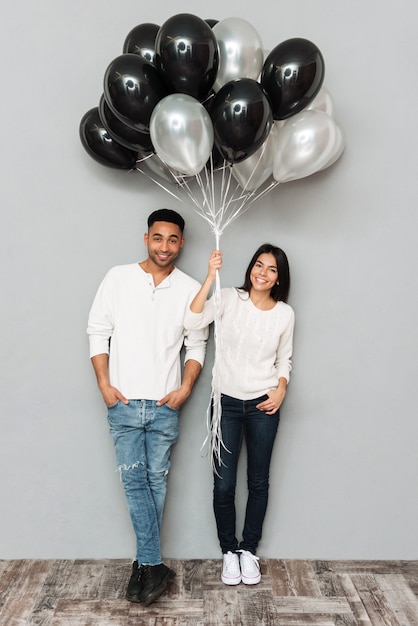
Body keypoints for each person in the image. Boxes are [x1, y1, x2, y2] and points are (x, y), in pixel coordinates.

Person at [87, 209, 208, 606]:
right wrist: (104, 383)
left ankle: (144, 566)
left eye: (173, 239)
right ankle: (153, 564)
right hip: (122, 402)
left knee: (156, 484)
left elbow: (197, 343)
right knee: (134, 483)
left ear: (182, 244)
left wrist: (186, 387)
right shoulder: (118, 278)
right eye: (158, 238)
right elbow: (98, 331)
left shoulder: (191, 287)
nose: (165, 246)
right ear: (146, 238)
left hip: (163, 405)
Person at [184, 244, 295, 586]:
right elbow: (192, 319)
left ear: (279, 278)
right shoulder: (230, 297)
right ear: (250, 268)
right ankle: (228, 552)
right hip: (226, 403)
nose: (262, 272)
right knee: (224, 485)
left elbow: (284, 359)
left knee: (258, 482)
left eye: (271, 269)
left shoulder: (284, 314)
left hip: (263, 404)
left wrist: (281, 388)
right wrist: (209, 277)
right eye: (258, 265)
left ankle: (249, 551)